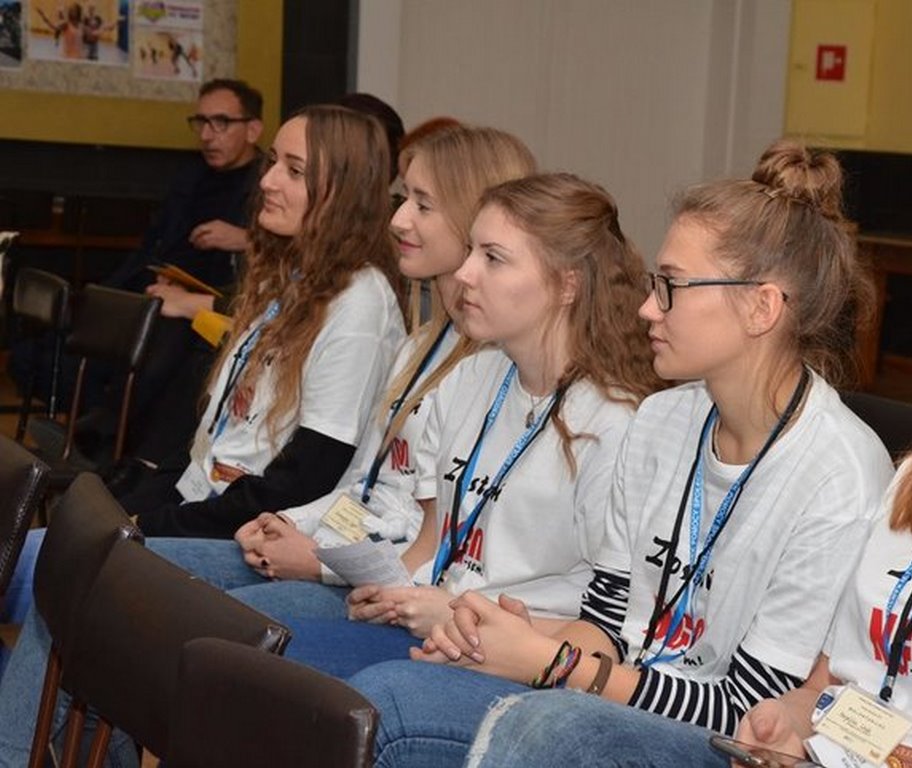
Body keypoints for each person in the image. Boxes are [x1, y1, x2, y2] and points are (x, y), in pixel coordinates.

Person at [465, 162, 912, 768]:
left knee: (552, 732)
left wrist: (558, 663)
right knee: (524, 721)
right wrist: (791, 718)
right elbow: (832, 682)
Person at [337, 140, 895, 768]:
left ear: (761, 307)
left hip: (716, 743)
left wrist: (552, 662)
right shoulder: (662, 420)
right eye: (656, 283)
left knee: (547, 729)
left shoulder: (837, 472)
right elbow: (606, 623)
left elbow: (749, 712)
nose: (647, 307)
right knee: (392, 696)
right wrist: (505, 638)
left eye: (672, 286)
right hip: (613, 696)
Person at [0, 104, 407, 764]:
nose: (267, 181)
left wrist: (156, 522)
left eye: (294, 170)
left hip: (251, 532)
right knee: (40, 567)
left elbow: (306, 477)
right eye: (273, 162)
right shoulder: (293, 278)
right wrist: (151, 503)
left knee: (67, 574)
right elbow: (217, 441)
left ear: (343, 192)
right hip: (209, 506)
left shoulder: (357, 301)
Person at [259, 171, 664, 678]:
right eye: (471, 251)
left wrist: (452, 615)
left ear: (567, 285)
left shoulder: (615, 424)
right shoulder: (469, 376)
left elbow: (613, 629)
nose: (465, 273)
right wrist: (397, 592)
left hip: (517, 659)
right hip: (437, 624)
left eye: (493, 258)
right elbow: (432, 546)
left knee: (278, 668)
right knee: (250, 638)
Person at [146, 124, 538, 626]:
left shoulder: (494, 365)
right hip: (352, 557)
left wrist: (320, 559)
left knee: (185, 609)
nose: (398, 220)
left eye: (422, 204)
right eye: (404, 199)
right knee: (112, 568)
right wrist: (287, 523)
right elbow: (365, 484)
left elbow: (441, 538)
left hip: (403, 592)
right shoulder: (422, 343)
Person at [13, 79, 266, 466]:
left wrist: (244, 238)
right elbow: (155, 243)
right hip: (153, 286)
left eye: (221, 123)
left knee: (158, 344)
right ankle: (88, 440)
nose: (206, 135)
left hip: (207, 305)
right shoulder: (190, 175)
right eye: (201, 122)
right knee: (51, 342)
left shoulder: (265, 186)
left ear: (253, 130)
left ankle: (103, 443)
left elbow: (286, 259)